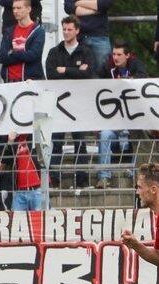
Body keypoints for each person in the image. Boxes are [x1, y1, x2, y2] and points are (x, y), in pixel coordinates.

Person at [46, 15, 95, 189]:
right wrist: (76, 71)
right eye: (64, 29)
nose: (66, 33)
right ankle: (54, 179)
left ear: (77, 30)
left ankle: (81, 180)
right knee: (57, 141)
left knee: (79, 141)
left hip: (79, 103)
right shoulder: (54, 52)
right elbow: (51, 75)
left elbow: (88, 74)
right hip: (59, 103)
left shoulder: (86, 51)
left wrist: (65, 70)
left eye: (69, 29)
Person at [96, 40, 147, 189]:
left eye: (119, 54)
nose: (115, 58)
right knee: (105, 135)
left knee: (136, 135)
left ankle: (135, 175)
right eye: (113, 54)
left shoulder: (136, 65)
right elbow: (95, 79)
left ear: (128, 55)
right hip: (114, 119)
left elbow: (143, 78)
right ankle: (104, 177)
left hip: (133, 120)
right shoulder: (108, 66)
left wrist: (126, 81)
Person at [0, 0, 45, 82]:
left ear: (28, 9)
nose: (15, 11)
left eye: (19, 8)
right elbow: (2, 57)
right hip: (9, 81)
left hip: (29, 82)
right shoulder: (9, 31)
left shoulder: (38, 31)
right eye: (14, 8)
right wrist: (23, 54)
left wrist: (13, 53)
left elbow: (33, 55)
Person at [64, 0, 112, 71]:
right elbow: (68, 7)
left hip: (99, 36)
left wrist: (78, 2)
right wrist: (95, 10)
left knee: (103, 71)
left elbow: (105, 4)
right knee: (77, 71)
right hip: (78, 37)